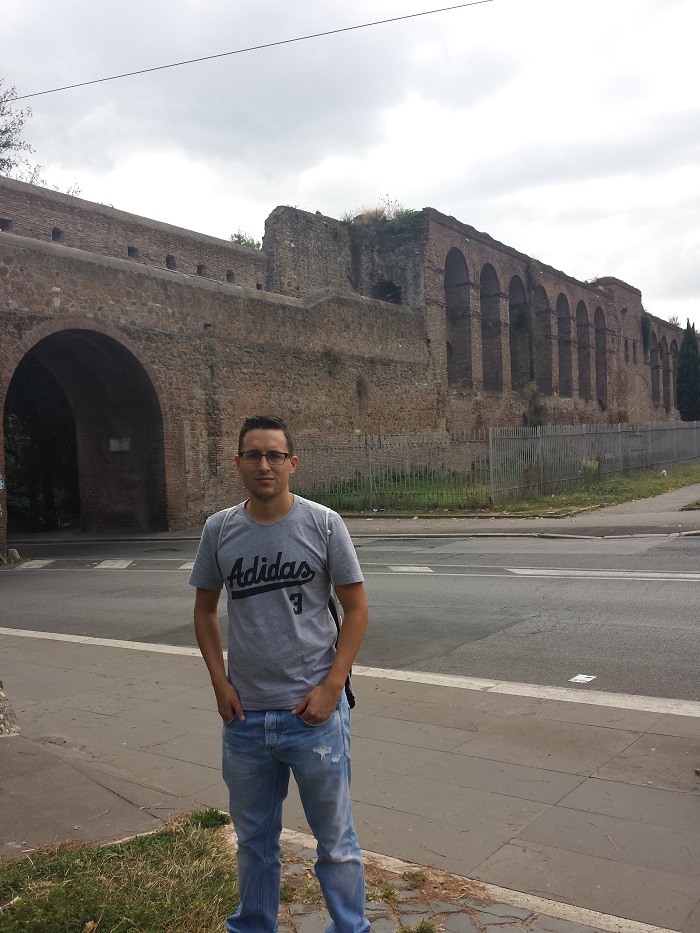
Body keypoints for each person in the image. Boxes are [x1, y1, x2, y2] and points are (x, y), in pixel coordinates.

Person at [188, 414, 370, 933]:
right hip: (245, 719)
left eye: (274, 455)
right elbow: (204, 610)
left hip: (314, 717)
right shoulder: (220, 529)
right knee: (253, 843)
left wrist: (332, 687)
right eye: (253, 455)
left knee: (335, 843)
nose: (263, 465)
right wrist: (219, 683)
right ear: (238, 463)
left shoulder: (323, 524)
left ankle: (350, 928)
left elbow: (356, 609)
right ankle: (253, 926)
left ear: (292, 463)